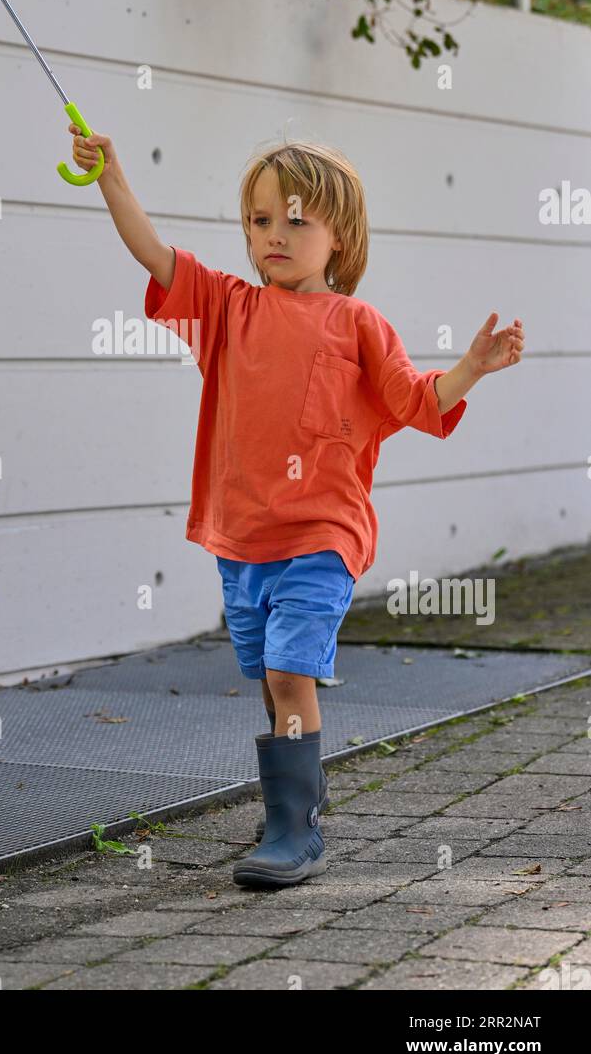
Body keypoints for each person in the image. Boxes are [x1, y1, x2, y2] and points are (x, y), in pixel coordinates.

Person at [68, 123, 525, 890]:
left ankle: (291, 830)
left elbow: (417, 402)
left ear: (339, 237)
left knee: (287, 669)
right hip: (241, 536)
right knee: (271, 674)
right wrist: (111, 173)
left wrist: (471, 368)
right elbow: (152, 252)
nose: (273, 235)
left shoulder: (357, 324)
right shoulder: (224, 308)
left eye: (295, 219)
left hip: (323, 532)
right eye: (258, 220)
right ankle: (296, 798)